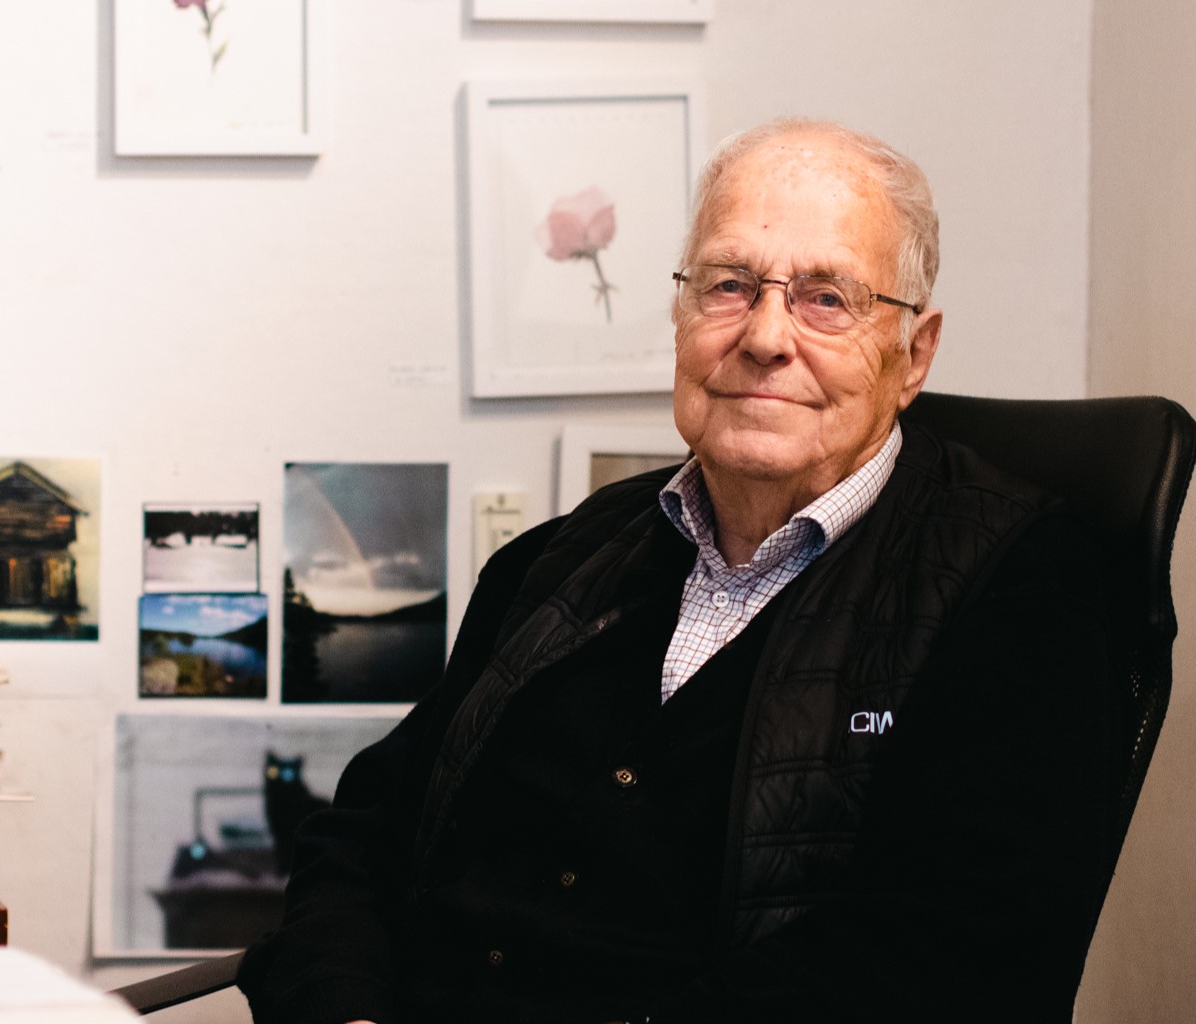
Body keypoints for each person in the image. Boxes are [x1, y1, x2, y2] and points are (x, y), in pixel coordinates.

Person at [238, 119, 1121, 1023]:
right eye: (730, 285)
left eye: (827, 298)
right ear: (679, 316)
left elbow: (962, 955)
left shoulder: (1022, 589)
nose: (766, 337)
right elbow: (366, 835)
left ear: (914, 356)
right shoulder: (558, 557)